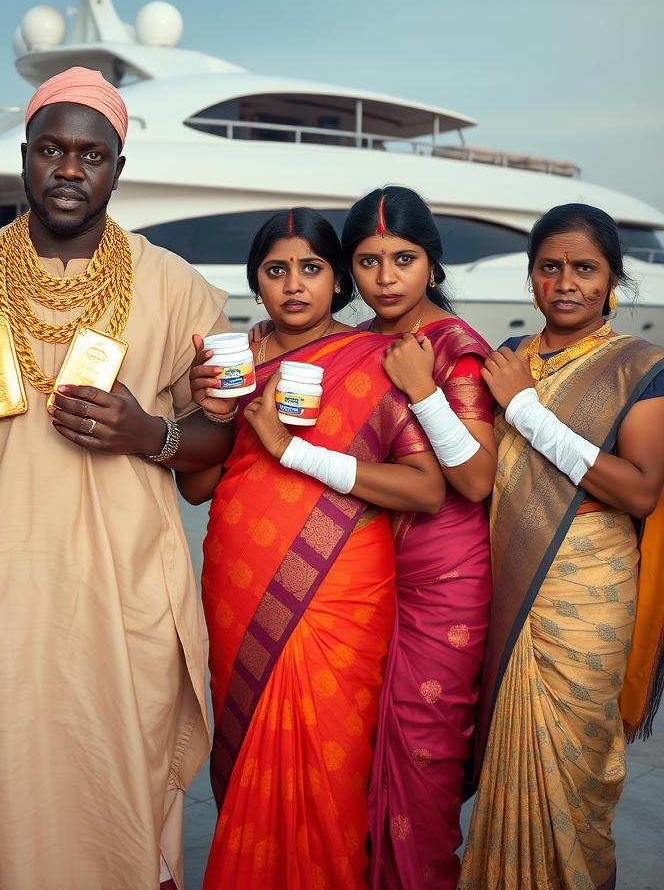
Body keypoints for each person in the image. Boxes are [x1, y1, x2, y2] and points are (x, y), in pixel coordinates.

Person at [0, 66, 234, 890]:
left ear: (117, 166)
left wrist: (150, 432)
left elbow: (217, 437)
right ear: (25, 159)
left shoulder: (177, 286)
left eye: (91, 154)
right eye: (51, 150)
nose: (69, 170)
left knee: (122, 778)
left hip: (124, 590)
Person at [179, 207, 445, 890]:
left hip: (340, 589)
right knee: (248, 752)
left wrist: (291, 450)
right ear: (255, 282)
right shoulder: (232, 363)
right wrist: (208, 411)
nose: (293, 285)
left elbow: (424, 489)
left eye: (311, 268)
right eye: (276, 270)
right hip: (240, 576)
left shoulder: (371, 361)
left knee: (330, 765)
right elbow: (200, 487)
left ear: (337, 282)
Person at [459, 203, 664, 890]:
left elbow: (638, 491)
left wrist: (525, 413)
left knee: (574, 774)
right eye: (551, 267)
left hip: (588, 594)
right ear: (532, 278)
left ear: (612, 279)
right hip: (510, 584)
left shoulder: (639, 367)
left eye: (585, 268)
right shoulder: (504, 362)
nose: (566, 282)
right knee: (510, 770)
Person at [336, 186, 495, 890]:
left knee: (424, 755)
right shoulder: (357, 345)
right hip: (368, 563)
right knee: (362, 748)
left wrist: (422, 390)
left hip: (446, 574)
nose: (386, 277)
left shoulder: (457, 350)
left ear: (432, 262)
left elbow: (477, 480)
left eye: (404, 258)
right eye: (368, 261)